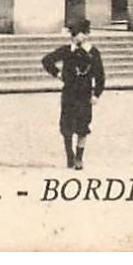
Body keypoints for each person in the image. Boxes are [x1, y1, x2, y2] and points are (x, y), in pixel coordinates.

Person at [42, 19, 106, 170]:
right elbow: (47, 60)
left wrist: (96, 94)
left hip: (84, 94)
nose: (76, 37)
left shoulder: (93, 53)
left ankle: (79, 158)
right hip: (69, 93)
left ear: (87, 35)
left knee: (83, 125)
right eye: (74, 34)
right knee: (67, 126)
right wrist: (58, 74)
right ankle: (69, 155)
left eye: (80, 34)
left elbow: (100, 76)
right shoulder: (66, 51)